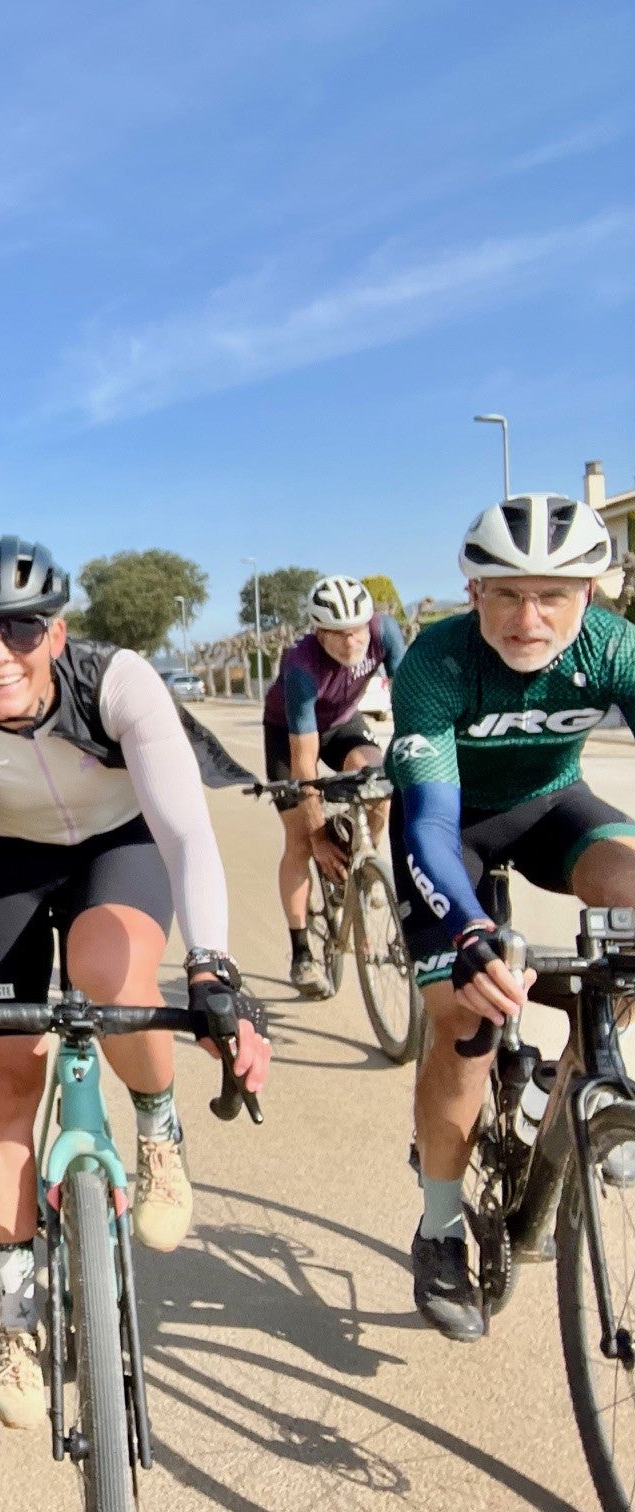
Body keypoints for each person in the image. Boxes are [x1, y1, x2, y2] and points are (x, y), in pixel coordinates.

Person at [0, 536, 271, 1432]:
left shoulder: (118, 682)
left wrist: (212, 965)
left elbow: (186, 836)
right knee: (3, 1073)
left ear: (57, 631)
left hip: (118, 848)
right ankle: (16, 1317)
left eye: (20, 630)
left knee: (106, 970)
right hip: (6, 865)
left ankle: (157, 1129)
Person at [390, 493, 635, 1343]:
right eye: (506, 595)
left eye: (553, 597)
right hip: (447, 826)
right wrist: (466, 934)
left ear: (590, 598)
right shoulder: (436, 662)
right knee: (469, 1015)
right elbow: (424, 819)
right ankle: (439, 1225)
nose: (529, 618)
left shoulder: (615, 651)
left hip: (553, 807)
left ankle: (585, 1071)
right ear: (474, 594)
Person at [260, 576, 407, 996]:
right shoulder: (301, 665)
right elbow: (304, 759)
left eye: (357, 630)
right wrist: (319, 830)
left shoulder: (385, 631)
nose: (351, 643)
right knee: (301, 844)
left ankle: (365, 861)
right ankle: (302, 951)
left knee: (379, 784)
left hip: (343, 725)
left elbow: (411, 699)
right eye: (339, 636)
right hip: (289, 736)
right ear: (318, 632)